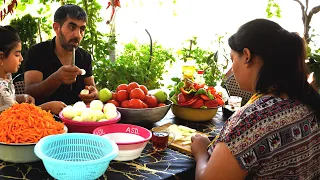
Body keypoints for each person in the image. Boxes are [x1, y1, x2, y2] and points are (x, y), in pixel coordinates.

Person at [191, 19, 320, 180]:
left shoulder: (249, 121)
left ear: (246, 56)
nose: (231, 70)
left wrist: (201, 153)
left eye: (232, 59)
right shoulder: (306, 102)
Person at [24, 4, 98, 106]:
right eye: (72, 27)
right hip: (44, 118)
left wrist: (93, 93)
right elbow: (30, 93)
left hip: (77, 118)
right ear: (56, 28)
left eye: (82, 29)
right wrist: (57, 78)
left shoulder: (84, 57)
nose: (78, 35)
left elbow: (91, 88)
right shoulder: (37, 52)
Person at [0, 26, 66, 114]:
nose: (21, 59)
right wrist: (46, 107)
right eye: (17, 55)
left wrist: (20, 97)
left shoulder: (6, 75)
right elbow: (15, 117)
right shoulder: (1, 89)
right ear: (1, 58)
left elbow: (6, 100)